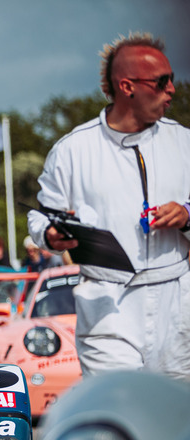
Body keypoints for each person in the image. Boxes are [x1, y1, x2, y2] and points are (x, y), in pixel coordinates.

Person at [28, 32, 190, 380]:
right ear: (127, 86)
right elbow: (41, 216)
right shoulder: (73, 149)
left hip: (176, 302)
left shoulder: (183, 141)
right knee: (120, 408)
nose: (172, 90)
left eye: (172, 80)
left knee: (179, 417)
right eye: (162, 82)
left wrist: (187, 214)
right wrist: (51, 235)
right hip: (107, 303)